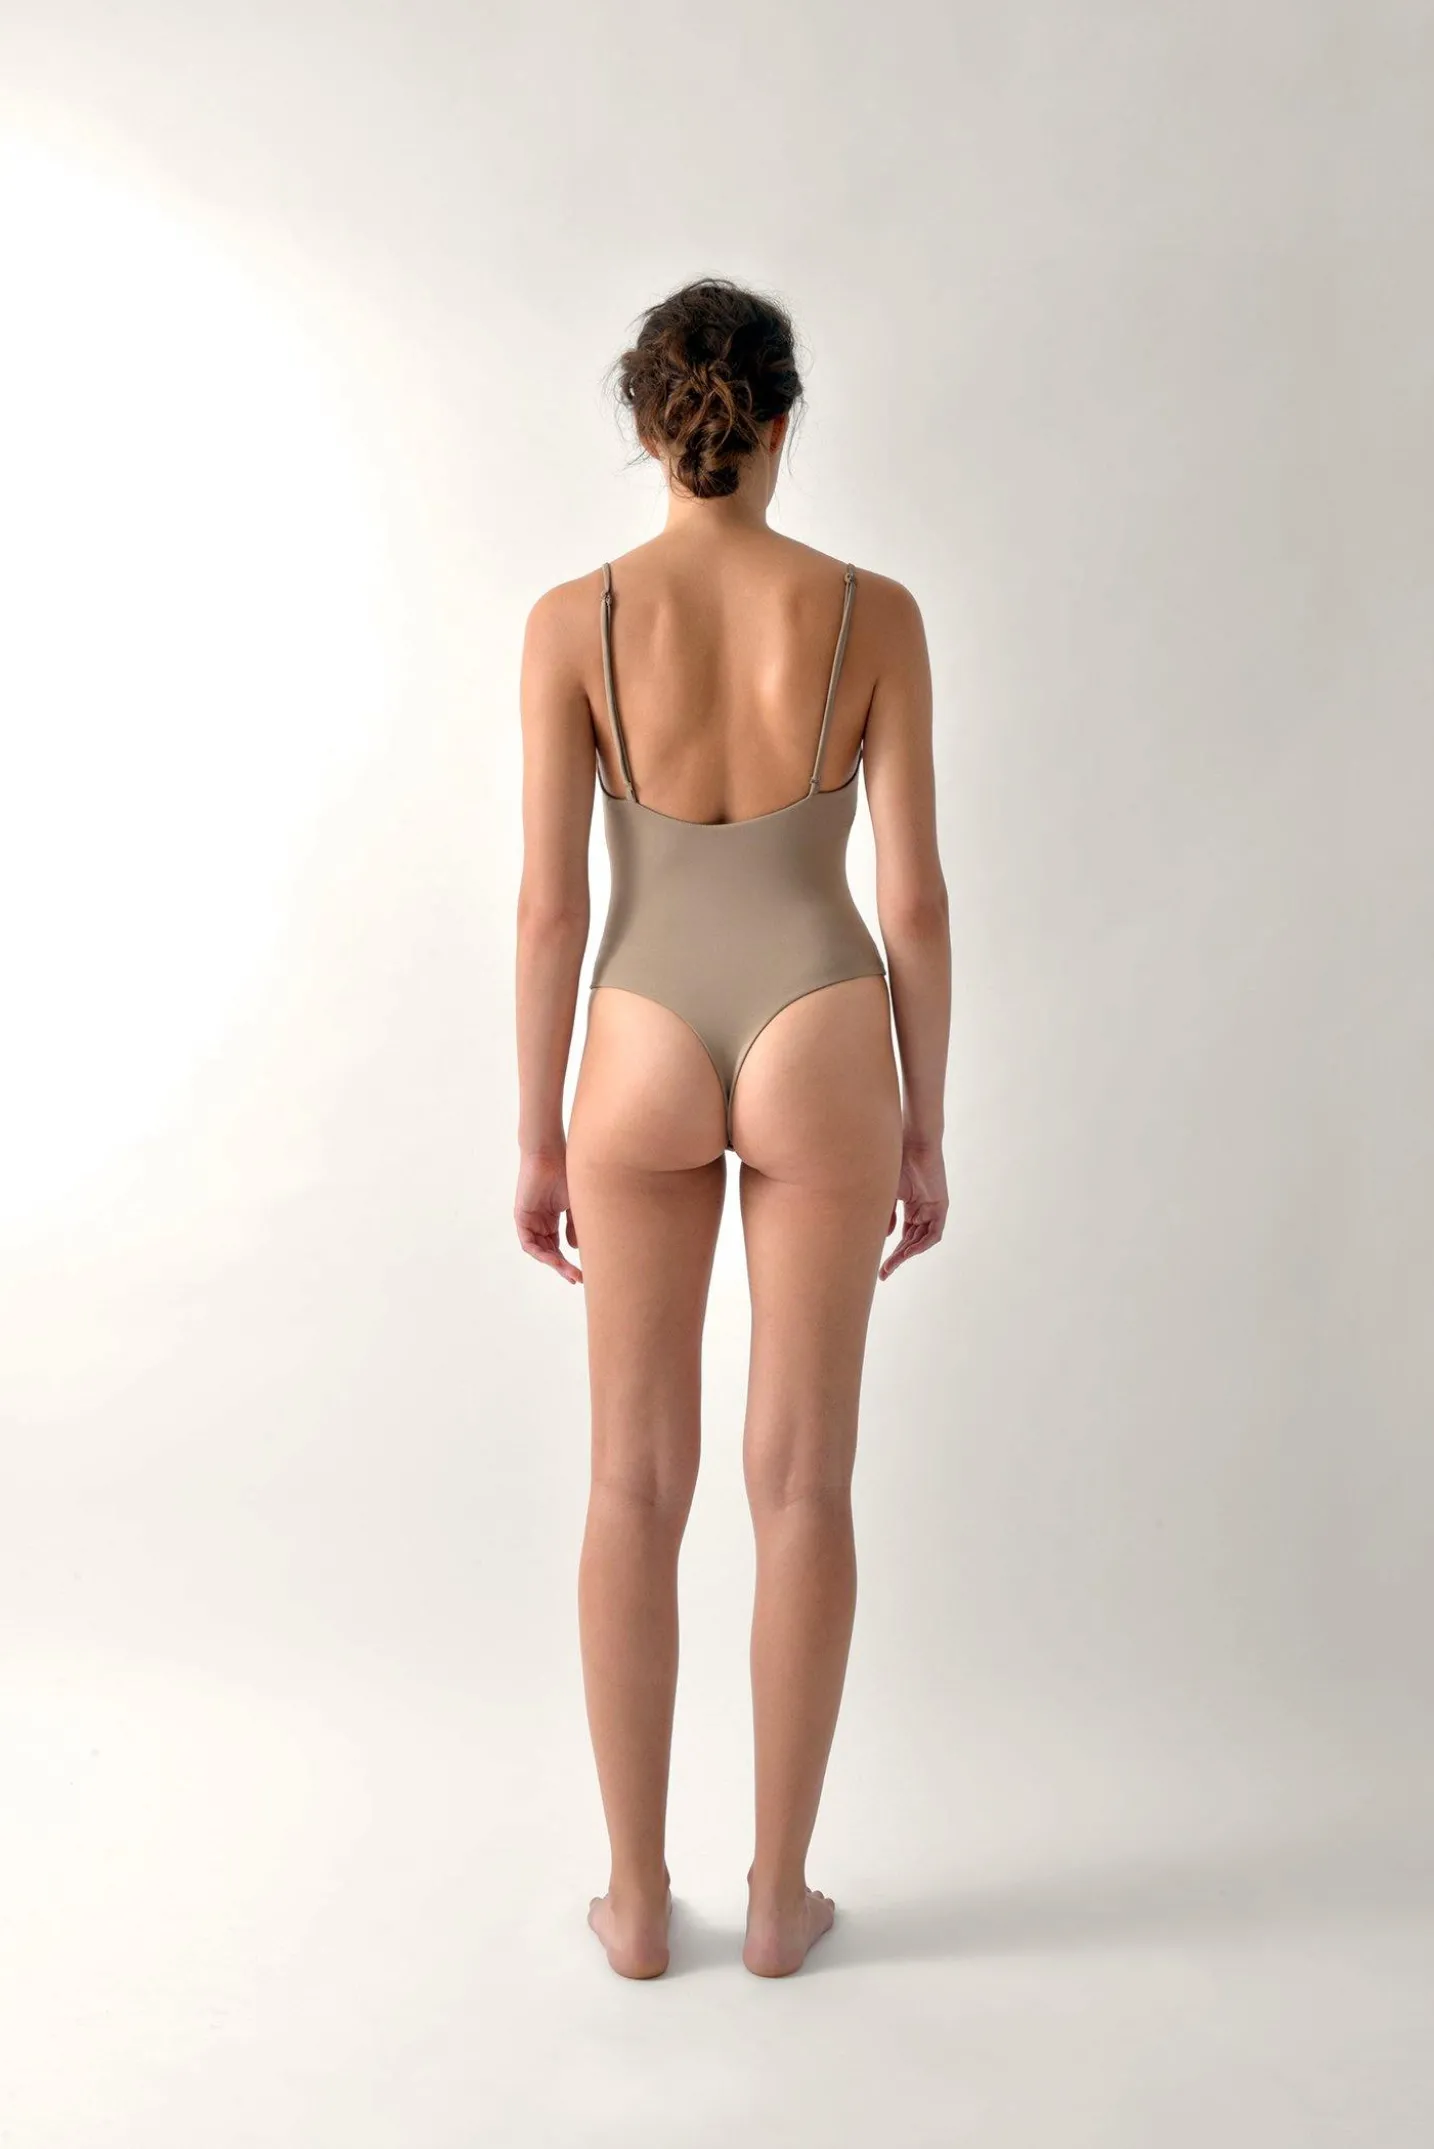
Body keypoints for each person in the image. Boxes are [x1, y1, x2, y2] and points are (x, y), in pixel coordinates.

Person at [514, 276, 951, 1979]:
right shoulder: (870, 612)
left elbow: (552, 910)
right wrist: (924, 1121)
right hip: (822, 1028)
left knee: (631, 1481)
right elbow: (910, 899)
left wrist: (537, 1134)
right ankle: (776, 1903)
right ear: (779, 420)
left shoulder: (574, 620)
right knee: (802, 1485)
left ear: (649, 428)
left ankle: (635, 1905)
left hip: (632, 1033)